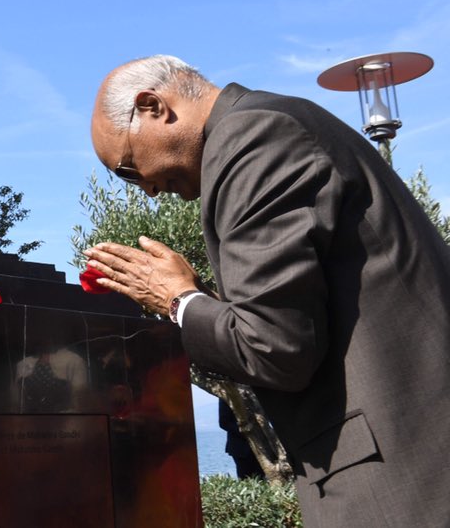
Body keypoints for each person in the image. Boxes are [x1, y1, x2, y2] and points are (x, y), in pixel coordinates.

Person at [83, 54, 450, 526]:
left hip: (400, 479)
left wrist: (177, 300)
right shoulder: (271, 125)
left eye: (129, 169)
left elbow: (275, 348)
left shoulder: (250, 141)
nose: (148, 191)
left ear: (153, 106)